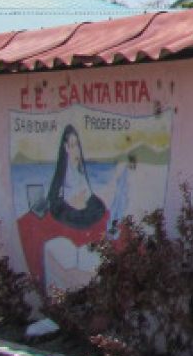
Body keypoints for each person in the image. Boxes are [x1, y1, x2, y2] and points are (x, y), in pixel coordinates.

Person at [17, 124, 130, 291]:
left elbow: (87, 195)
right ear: (65, 147)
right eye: (71, 145)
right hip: (71, 213)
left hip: (86, 210)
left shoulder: (79, 171)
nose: (75, 149)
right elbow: (67, 198)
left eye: (77, 144)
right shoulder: (65, 175)